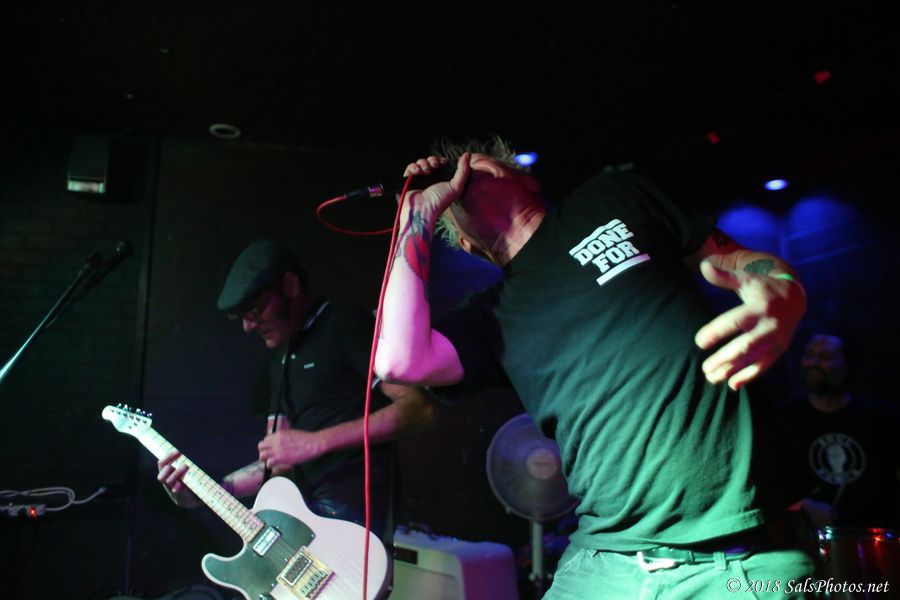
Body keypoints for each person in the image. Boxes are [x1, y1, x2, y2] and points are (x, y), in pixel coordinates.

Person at [374, 138, 813, 599]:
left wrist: (784, 286)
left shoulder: (611, 196)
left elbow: (736, 259)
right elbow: (398, 360)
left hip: (741, 559)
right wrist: (415, 218)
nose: (458, 171)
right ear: (468, 245)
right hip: (604, 562)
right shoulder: (491, 318)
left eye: (477, 160)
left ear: (526, 179)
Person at [158, 239, 436, 542]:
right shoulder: (281, 358)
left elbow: (418, 408)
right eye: (242, 316)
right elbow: (274, 463)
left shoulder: (344, 324)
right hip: (304, 524)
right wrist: (208, 492)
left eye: (254, 309)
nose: (248, 326)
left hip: (353, 527)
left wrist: (315, 443)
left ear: (290, 286)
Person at [782, 333, 900, 529]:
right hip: (807, 538)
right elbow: (767, 483)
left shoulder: (881, 418)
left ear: (846, 365)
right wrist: (805, 505)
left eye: (825, 357)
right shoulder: (783, 419)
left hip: (875, 536)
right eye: (809, 355)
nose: (814, 363)